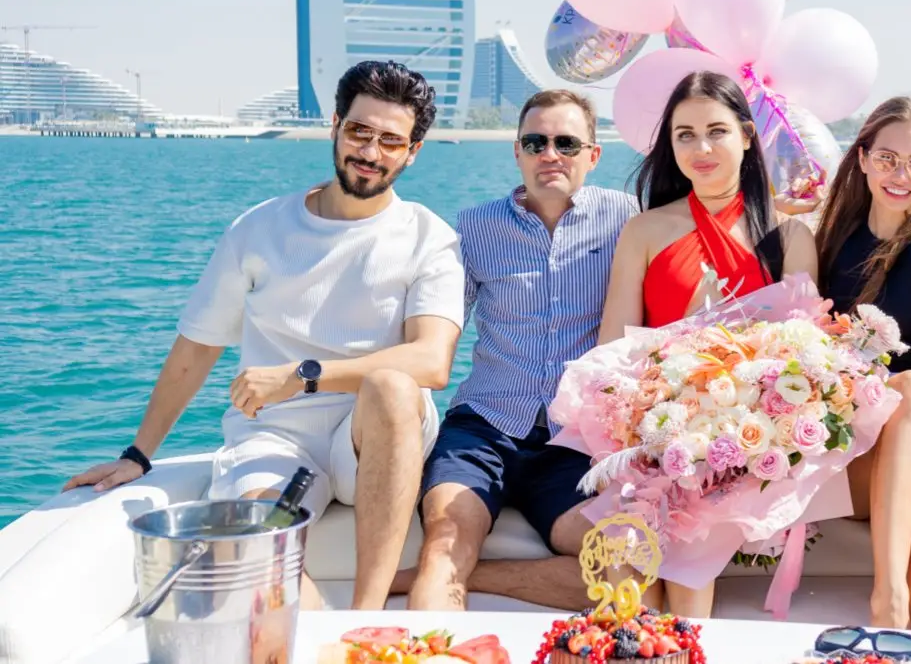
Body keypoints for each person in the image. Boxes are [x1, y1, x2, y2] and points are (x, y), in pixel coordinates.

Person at [63, 61, 465, 611]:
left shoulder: (428, 236)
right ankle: (319, 636)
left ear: (412, 151)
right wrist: (138, 453)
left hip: (370, 438)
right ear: (335, 126)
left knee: (396, 387)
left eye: (391, 141)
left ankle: (366, 620)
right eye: (359, 132)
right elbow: (197, 346)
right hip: (275, 439)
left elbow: (432, 361)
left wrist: (303, 378)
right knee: (254, 546)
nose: (370, 153)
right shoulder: (260, 228)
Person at [400, 89, 637, 611]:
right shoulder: (472, 228)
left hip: (574, 440)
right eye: (535, 142)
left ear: (593, 155)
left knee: (625, 571)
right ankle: (447, 583)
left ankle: (475, 575)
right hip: (482, 427)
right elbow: (435, 331)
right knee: (445, 546)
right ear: (517, 152)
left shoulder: (627, 220)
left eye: (566, 143)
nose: (550, 154)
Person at [599, 70, 818, 617]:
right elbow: (611, 352)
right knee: (633, 579)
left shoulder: (790, 235)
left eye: (716, 131)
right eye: (684, 135)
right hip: (653, 426)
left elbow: (805, 354)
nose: (701, 148)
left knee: (685, 556)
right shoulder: (643, 231)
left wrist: (730, 424)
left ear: (747, 135)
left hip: (751, 435)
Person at [813, 96, 911, 646]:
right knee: (902, 390)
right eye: (886, 158)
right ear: (861, 159)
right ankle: (887, 598)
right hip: (851, 446)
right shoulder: (827, 236)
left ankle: (892, 600)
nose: (899, 174)